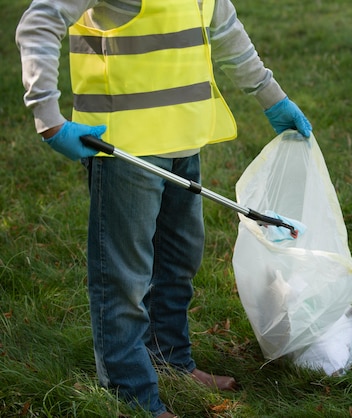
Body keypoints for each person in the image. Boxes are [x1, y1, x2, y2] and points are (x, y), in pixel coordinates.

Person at [15, 1, 312, 417]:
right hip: (124, 147)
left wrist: (272, 98)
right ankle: (132, 395)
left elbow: (226, 32)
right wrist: (48, 117)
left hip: (183, 138)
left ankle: (169, 359)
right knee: (124, 277)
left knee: (179, 259)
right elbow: (40, 21)